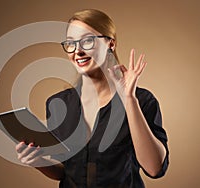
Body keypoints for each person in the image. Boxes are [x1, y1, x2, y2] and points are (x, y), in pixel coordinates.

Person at [15, 9, 169, 187]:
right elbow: (65, 171)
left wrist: (129, 100)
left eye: (87, 41)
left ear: (110, 44)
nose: (77, 51)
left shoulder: (142, 100)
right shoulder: (57, 104)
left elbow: (155, 169)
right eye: (71, 43)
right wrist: (38, 161)